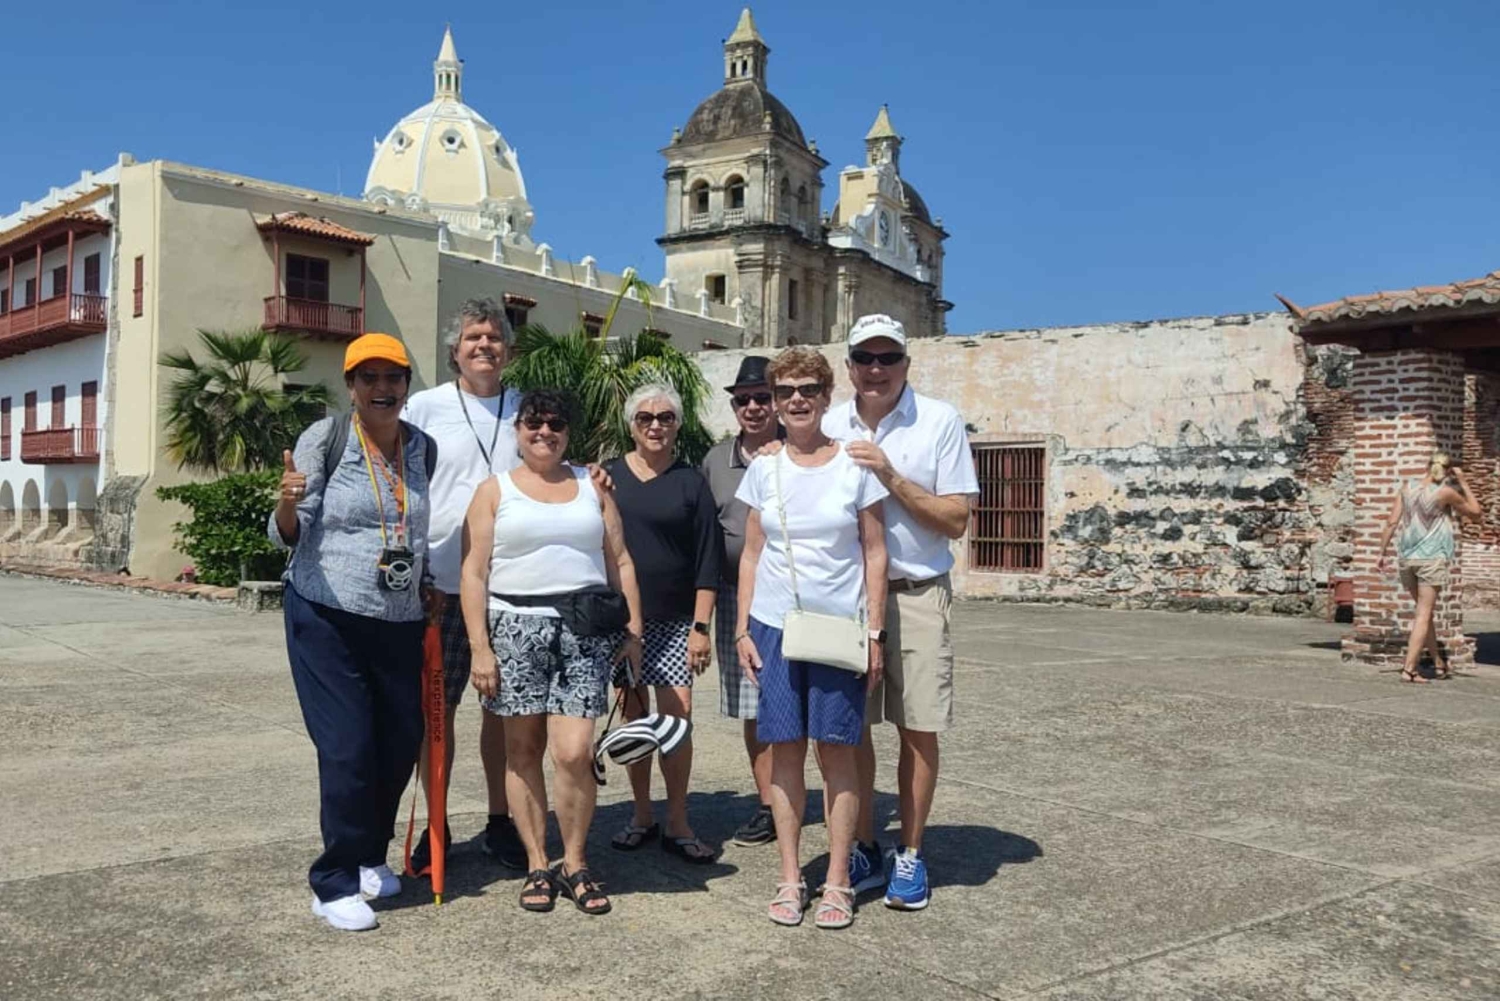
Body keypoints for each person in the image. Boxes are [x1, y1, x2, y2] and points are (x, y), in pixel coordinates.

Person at [271, 332, 437, 932]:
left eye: (393, 377)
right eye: (369, 378)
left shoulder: (423, 448)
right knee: (347, 747)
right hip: (326, 614)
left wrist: (427, 580)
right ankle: (334, 881)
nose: (382, 388)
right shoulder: (326, 439)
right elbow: (288, 532)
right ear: (351, 387)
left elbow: (413, 528)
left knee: (398, 743)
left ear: (407, 385)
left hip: (398, 618)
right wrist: (286, 502)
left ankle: (369, 854)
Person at [460, 389, 644, 915]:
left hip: (584, 630)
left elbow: (621, 560)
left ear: (568, 432)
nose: (545, 432)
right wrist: (480, 649)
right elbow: (473, 572)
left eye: (556, 424)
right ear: (518, 430)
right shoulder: (493, 491)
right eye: (534, 423)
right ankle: (538, 863)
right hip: (514, 628)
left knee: (574, 751)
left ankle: (576, 862)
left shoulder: (593, 486)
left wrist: (634, 631)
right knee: (522, 751)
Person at [825, 313, 979, 912]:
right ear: (849, 367)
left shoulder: (938, 420)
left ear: (906, 364)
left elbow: (956, 519)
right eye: (865, 357)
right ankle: (864, 843)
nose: (876, 369)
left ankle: (910, 851)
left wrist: (889, 475)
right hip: (848, 597)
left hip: (916, 592)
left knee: (918, 726)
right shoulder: (831, 423)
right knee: (852, 727)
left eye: (888, 357)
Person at [735, 346, 889, 930]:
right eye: (785, 392)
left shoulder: (854, 465)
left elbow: (875, 552)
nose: (796, 400)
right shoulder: (764, 467)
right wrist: (742, 628)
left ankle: (839, 878)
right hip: (774, 628)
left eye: (807, 390)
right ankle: (789, 875)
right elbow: (752, 554)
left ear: (827, 397)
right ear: (775, 402)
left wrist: (875, 632)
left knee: (837, 752)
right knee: (785, 754)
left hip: (837, 629)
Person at [401, 298, 526, 872]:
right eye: (474, 337)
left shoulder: (525, 410)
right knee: (438, 711)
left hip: (513, 584)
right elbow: (401, 484)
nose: (484, 346)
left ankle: (502, 820)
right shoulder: (425, 408)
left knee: (503, 712)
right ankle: (437, 824)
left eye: (494, 337)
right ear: (455, 350)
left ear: (508, 351)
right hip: (442, 584)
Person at [604, 383, 723, 863]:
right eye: (645, 418)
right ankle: (641, 815)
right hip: (625, 624)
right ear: (631, 425)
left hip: (677, 623)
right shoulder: (607, 477)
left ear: (677, 425)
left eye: (666, 417)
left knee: (676, 720)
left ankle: (677, 820)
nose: (655, 425)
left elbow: (709, 559)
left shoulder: (691, 482)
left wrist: (701, 627)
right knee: (635, 721)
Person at [700, 356, 783, 846]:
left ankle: (801, 796)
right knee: (754, 707)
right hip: (737, 596)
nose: (753, 407)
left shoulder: (800, 450)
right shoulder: (716, 461)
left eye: (761, 398)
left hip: (794, 597)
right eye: (743, 400)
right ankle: (769, 804)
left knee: (803, 700)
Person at [1376, 451, 1481, 682]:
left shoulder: (1407, 487)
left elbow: (1391, 522)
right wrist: (1463, 482)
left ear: (1427, 466)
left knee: (1424, 613)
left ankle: (1438, 662)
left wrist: (1381, 553)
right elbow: (1476, 513)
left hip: (1407, 558)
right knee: (1423, 615)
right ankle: (1409, 669)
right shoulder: (1445, 492)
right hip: (1431, 559)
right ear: (1448, 471)